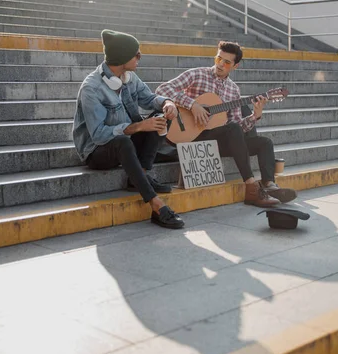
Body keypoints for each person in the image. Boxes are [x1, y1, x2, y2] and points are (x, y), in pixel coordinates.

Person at [155, 41, 297, 208]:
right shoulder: (196, 75)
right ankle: (252, 188)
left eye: (227, 62)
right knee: (233, 129)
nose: (220, 64)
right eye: (218, 59)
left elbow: (237, 127)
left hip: (216, 140)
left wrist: (255, 116)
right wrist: (193, 105)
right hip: (190, 137)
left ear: (235, 66)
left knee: (264, 143)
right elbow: (162, 90)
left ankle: (269, 185)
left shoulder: (233, 90)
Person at [72, 29, 185, 229]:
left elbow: (149, 99)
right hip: (97, 151)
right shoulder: (92, 88)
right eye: (137, 54)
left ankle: (139, 176)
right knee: (124, 140)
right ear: (123, 57)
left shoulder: (129, 77)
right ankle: (156, 204)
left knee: (161, 118)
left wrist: (168, 103)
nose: (140, 58)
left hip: (127, 138)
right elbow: (98, 135)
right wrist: (140, 126)